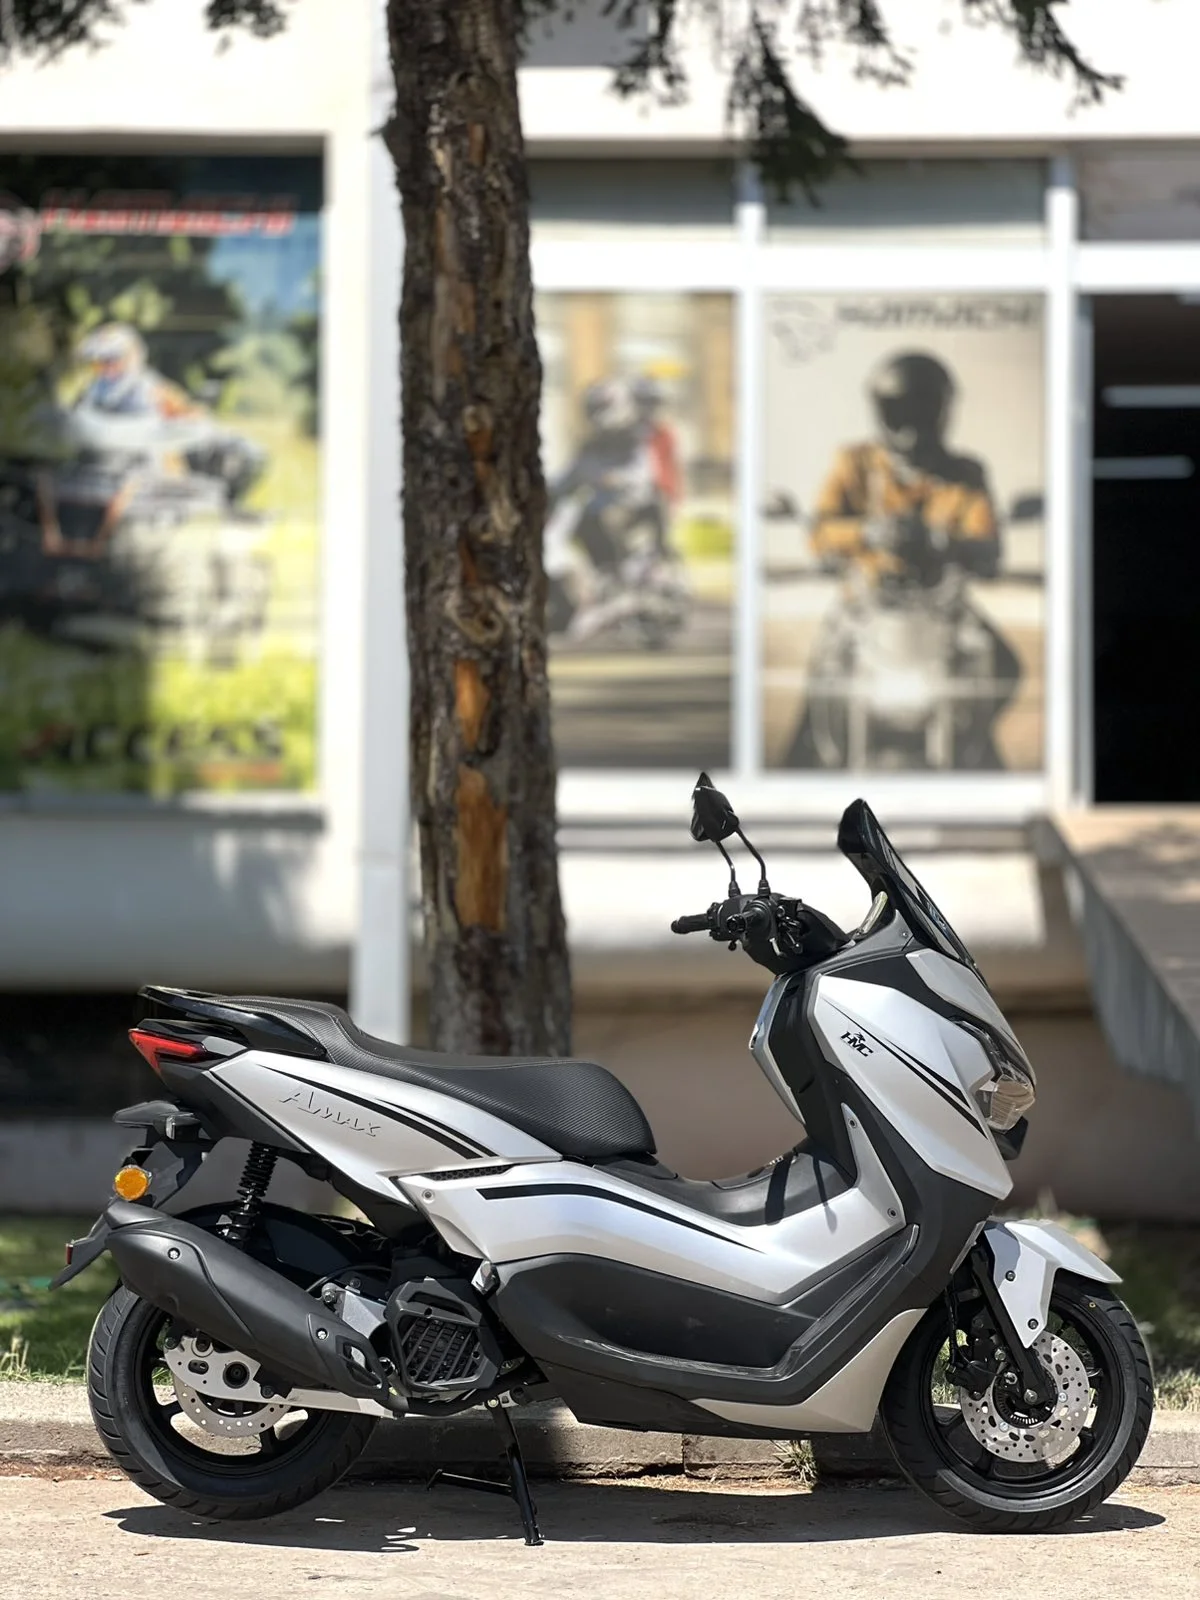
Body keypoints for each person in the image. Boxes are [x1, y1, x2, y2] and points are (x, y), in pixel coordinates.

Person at [790, 350, 1020, 768]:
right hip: (864, 606)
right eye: (901, 414)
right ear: (882, 412)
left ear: (941, 413)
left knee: (1005, 666)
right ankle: (806, 769)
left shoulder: (965, 473)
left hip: (943, 609)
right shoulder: (854, 463)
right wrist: (867, 532)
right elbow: (820, 533)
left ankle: (978, 754)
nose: (912, 429)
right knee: (821, 682)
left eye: (921, 412)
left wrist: (942, 542)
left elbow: (987, 544)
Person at [76, 323, 199, 419]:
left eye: (112, 360)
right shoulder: (98, 386)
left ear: (131, 357)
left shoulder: (148, 386)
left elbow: (186, 414)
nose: (106, 367)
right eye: (100, 362)